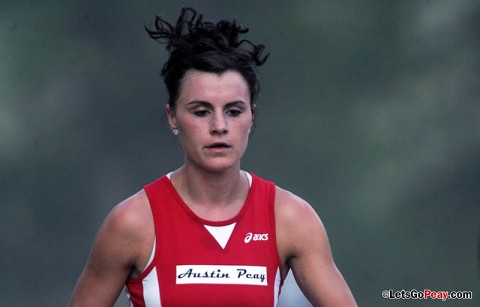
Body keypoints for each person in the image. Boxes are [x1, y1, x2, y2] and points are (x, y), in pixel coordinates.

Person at [70, 7, 356, 307]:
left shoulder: (291, 219)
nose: (219, 126)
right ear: (172, 117)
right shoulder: (132, 223)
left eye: (233, 111)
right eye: (201, 111)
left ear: (252, 117)